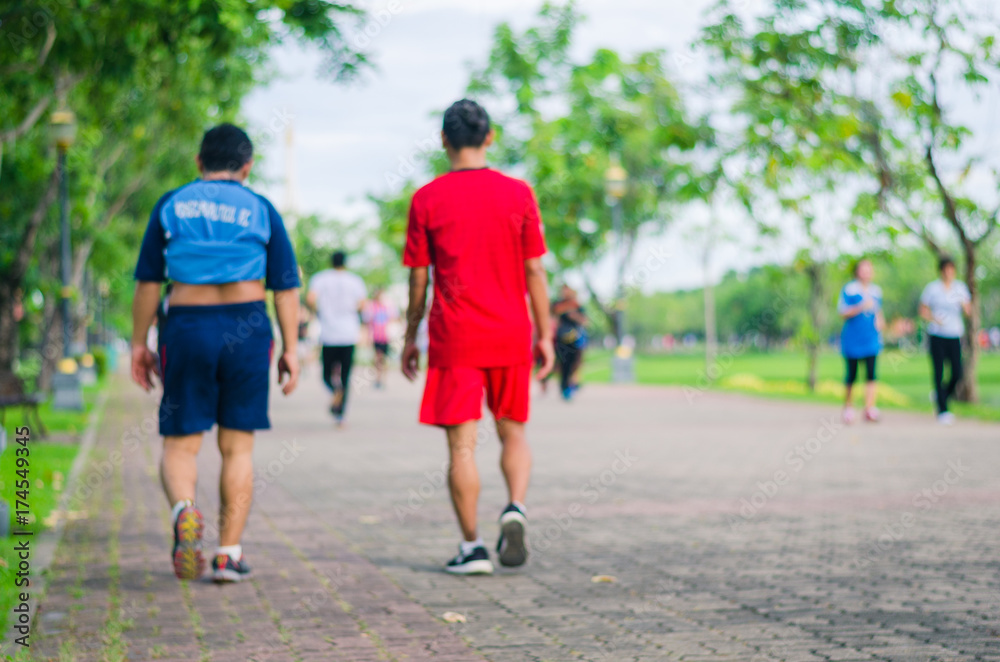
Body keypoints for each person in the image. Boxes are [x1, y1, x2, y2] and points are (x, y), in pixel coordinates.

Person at [131, 123, 301, 583]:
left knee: (181, 444)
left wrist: (138, 344)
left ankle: (185, 510)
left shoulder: (171, 204)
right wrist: (291, 348)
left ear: (198, 162)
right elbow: (285, 287)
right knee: (237, 446)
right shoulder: (261, 208)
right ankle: (228, 554)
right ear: (247, 167)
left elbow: (148, 282)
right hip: (247, 327)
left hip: (187, 327)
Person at [401, 99, 555, 575]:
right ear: (489, 137)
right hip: (510, 332)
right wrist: (545, 334)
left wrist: (411, 332)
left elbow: (419, 281)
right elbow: (534, 269)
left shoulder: (427, 199)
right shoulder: (519, 194)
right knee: (514, 431)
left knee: (462, 447)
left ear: (444, 140)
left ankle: (472, 548)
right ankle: (515, 506)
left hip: (455, 336)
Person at [307, 250, 367, 425]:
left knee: (326, 373)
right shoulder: (355, 280)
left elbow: (311, 299)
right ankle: (341, 415)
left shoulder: (320, 279)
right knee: (345, 375)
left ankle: (335, 390)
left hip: (329, 333)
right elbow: (362, 304)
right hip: (349, 334)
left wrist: (321, 312)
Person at [919, 255, 972, 425]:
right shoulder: (932, 289)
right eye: (946, 269)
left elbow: (968, 311)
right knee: (939, 371)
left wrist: (964, 306)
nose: (949, 272)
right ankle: (943, 410)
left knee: (957, 372)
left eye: (951, 269)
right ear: (941, 271)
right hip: (937, 334)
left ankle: (941, 395)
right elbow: (923, 311)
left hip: (954, 334)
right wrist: (933, 318)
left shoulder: (960, 288)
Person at [837, 259, 884, 424]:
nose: (867, 272)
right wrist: (860, 306)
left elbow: (878, 312)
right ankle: (848, 408)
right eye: (863, 269)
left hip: (871, 339)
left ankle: (870, 408)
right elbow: (842, 312)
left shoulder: (876, 291)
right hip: (852, 340)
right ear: (857, 271)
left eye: (869, 269)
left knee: (871, 375)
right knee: (852, 375)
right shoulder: (849, 290)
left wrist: (880, 322)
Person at [552, 285, 589, 401]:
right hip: (561, 339)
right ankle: (564, 388)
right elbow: (551, 316)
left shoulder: (577, 306)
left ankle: (573, 384)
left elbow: (585, 321)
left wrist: (574, 315)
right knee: (563, 364)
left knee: (575, 364)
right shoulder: (557, 305)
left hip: (575, 339)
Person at [363, 287, 397, 389]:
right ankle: (378, 378)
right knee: (377, 358)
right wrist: (367, 336)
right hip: (376, 337)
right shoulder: (371, 307)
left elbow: (394, 319)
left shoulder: (388, 307)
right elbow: (367, 322)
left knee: (384, 359)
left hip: (386, 337)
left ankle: (383, 379)